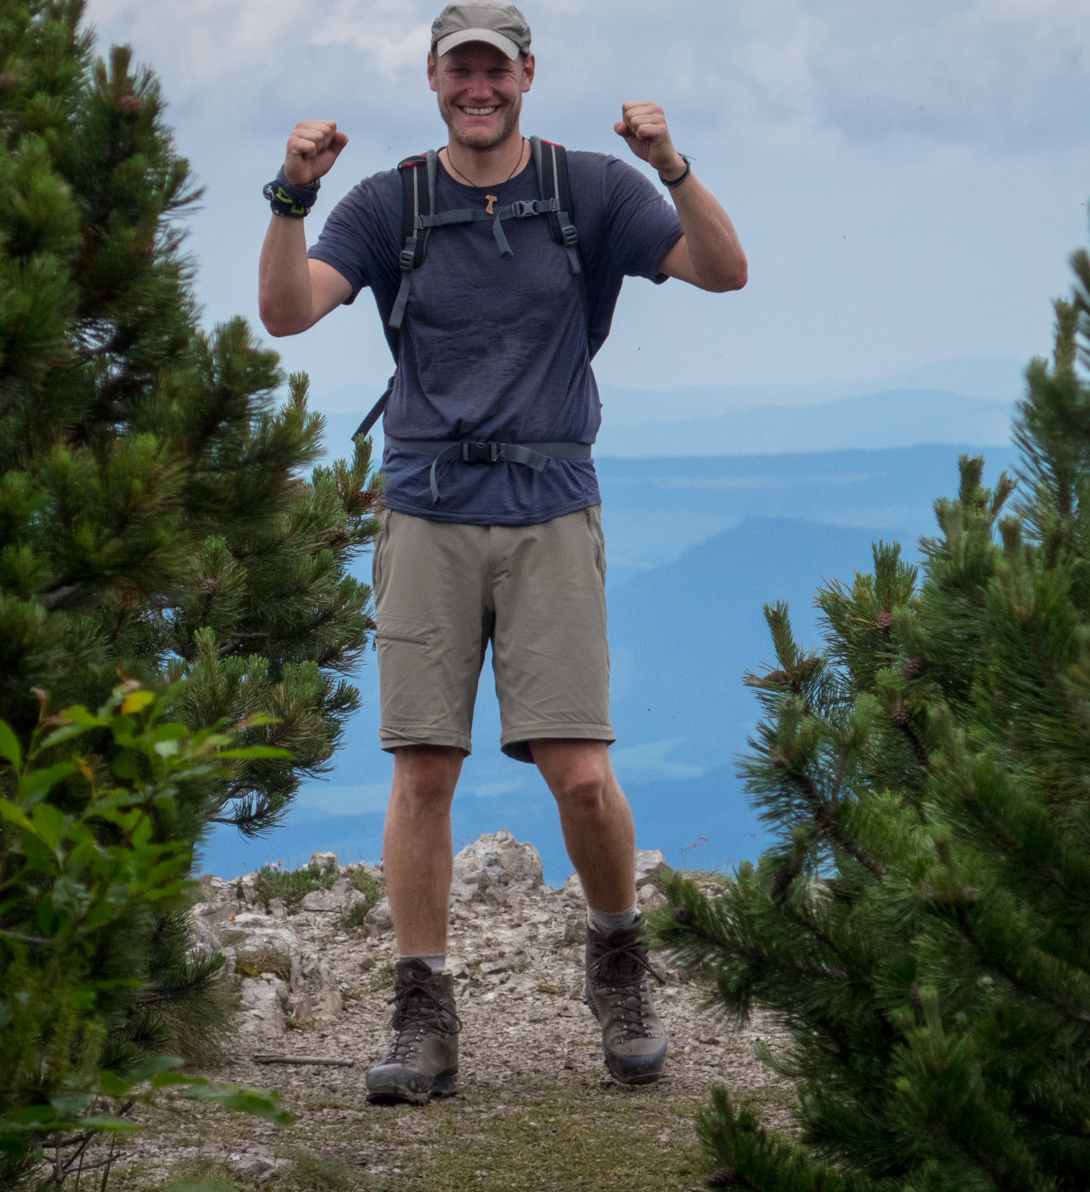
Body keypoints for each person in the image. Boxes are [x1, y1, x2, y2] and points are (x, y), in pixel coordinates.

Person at [256, 0, 747, 1104]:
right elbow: (287, 313)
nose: (478, 88)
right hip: (426, 502)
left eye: (496, 70)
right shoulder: (392, 201)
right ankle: (420, 1008)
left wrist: (671, 164)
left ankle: (619, 959)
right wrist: (293, 196)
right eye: (460, 70)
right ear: (431, 77)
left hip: (550, 500)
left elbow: (723, 270)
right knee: (422, 769)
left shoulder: (588, 189)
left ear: (528, 76)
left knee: (580, 774)